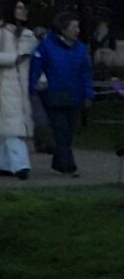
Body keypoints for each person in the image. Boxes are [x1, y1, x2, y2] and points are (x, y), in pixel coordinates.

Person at [0, 0, 41, 179]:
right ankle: (21, 165)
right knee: (14, 126)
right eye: (18, 7)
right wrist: (12, 58)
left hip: (24, 86)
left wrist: (40, 79)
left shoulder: (29, 35)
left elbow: (35, 60)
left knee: (13, 124)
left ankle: (6, 165)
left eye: (24, 7)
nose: (23, 11)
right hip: (4, 84)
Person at [34, 13, 92, 178]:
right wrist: (35, 88)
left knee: (69, 132)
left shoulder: (80, 49)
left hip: (74, 96)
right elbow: (37, 70)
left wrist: (88, 93)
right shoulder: (46, 47)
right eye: (74, 27)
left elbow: (86, 72)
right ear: (63, 29)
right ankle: (68, 166)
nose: (77, 31)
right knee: (61, 130)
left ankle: (59, 162)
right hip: (53, 95)